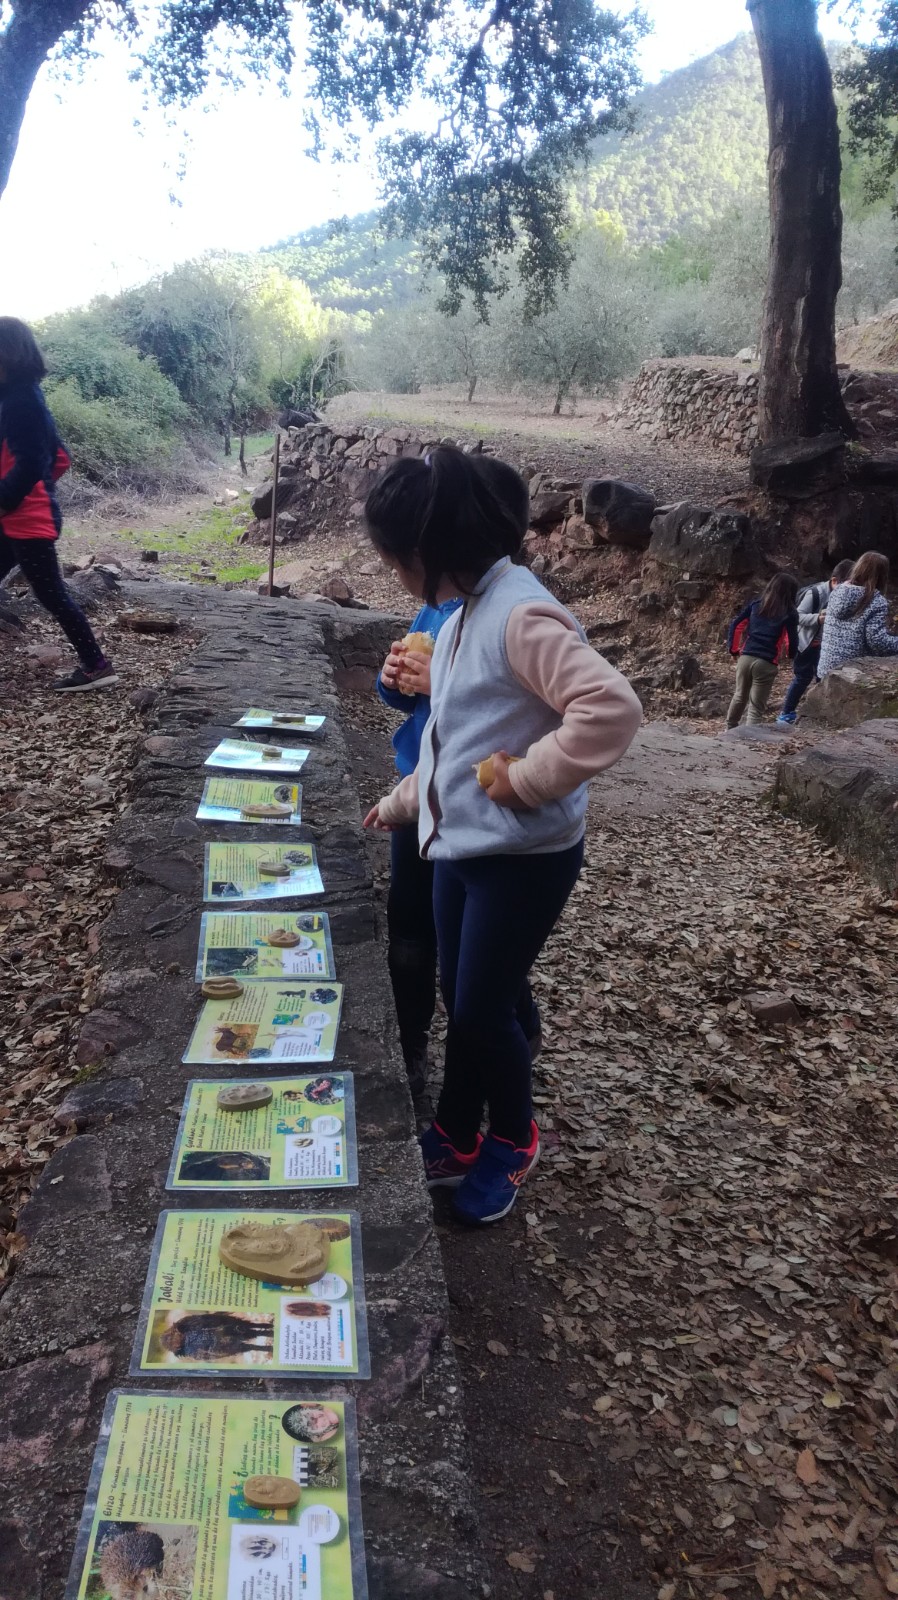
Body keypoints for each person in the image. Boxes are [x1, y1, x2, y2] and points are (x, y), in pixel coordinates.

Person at [362, 447, 642, 1225]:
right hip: (463, 847)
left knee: (483, 1011)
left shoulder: (521, 615)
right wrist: (403, 801)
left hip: (520, 859)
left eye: (393, 559)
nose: (392, 571)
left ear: (426, 553)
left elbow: (611, 709)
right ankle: (456, 1131)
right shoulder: (460, 615)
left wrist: (528, 779)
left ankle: (514, 1138)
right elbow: (456, 740)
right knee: (465, 998)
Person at [376, 589, 463, 1094]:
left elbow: (508, 708)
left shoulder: (503, 614)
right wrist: (392, 679)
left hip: (467, 797)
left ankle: (510, 1034)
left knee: (467, 933)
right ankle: (411, 1040)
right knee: (408, 922)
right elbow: (409, 704)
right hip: (415, 788)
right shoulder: (434, 607)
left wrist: (441, 681)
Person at [0, 317, 116, 690]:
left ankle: (96, 666)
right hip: (19, 515)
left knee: (52, 595)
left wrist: (13, 497)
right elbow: (60, 457)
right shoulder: (18, 396)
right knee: (51, 593)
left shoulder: (22, 401)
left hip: (27, 520)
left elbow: (34, 462)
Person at [777, 560, 854, 724]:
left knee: (823, 678)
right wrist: (818, 619)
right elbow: (797, 616)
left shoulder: (844, 597)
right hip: (806, 644)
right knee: (802, 678)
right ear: (835, 581)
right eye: (847, 584)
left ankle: (819, 713)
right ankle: (786, 713)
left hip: (825, 646)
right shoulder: (815, 593)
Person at [725, 573, 799, 730]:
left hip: (746, 657)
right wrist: (791, 654)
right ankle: (750, 738)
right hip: (766, 662)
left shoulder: (756, 605)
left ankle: (729, 729)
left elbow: (736, 625)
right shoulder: (790, 613)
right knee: (756, 707)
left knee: (739, 696)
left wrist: (734, 650)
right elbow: (792, 639)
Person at [817, 551, 898, 679]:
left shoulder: (837, 591)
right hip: (852, 674)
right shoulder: (875, 601)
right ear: (882, 576)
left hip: (826, 670)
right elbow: (877, 642)